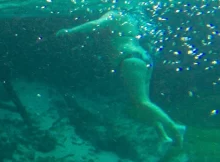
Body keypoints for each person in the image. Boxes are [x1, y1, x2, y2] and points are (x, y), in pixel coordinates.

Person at [56, 10, 186, 147]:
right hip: (143, 58)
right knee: (145, 103)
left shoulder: (114, 14)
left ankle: (175, 128)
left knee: (141, 102)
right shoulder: (131, 19)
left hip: (130, 59)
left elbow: (95, 24)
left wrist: (69, 31)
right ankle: (162, 135)